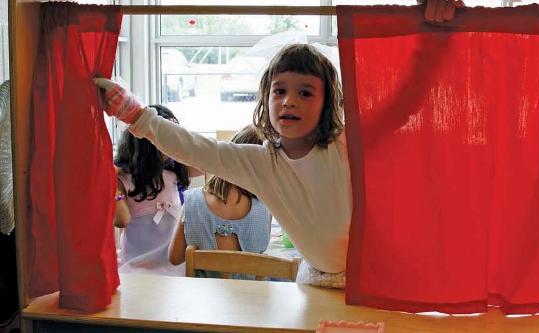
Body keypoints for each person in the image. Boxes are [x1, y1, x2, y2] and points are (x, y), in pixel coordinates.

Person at [95, 43, 349, 288]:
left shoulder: (343, 146)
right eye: (280, 91)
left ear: (326, 102)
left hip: (363, 272)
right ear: (266, 98)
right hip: (317, 278)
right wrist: (132, 112)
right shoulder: (262, 162)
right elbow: (195, 148)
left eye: (305, 93)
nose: (289, 101)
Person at [168, 125, 272, 279]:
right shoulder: (265, 207)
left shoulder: (192, 202)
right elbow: (261, 247)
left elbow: (174, 258)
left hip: (205, 301)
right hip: (250, 299)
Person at [113, 104, 192, 276]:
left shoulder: (174, 172)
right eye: (167, 139)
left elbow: (206, 165)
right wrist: (113, 185)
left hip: (173, 268)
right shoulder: (124, 179)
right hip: (136, 267)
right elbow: (122, 220)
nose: (173, 146)